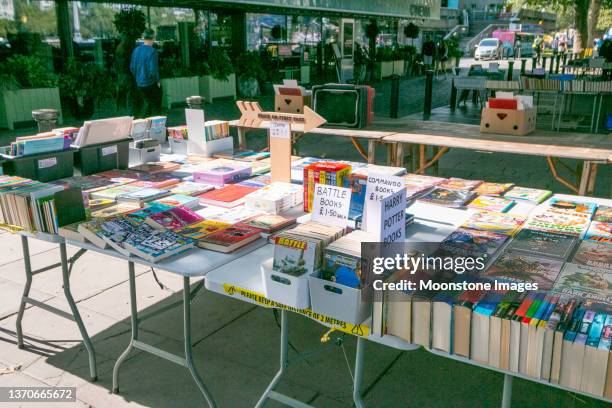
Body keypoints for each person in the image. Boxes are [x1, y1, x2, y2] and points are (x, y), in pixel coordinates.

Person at [130, 29, 161, 118]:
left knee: (147, 103)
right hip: (150, 83)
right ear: (153, 38)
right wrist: (158, 81)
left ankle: (141, 123)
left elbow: (132, 67)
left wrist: (137, 77)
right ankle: (157, 127)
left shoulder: (136, 50)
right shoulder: (152, 51)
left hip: (139, 83)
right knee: (155, 107)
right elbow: (153, 70)